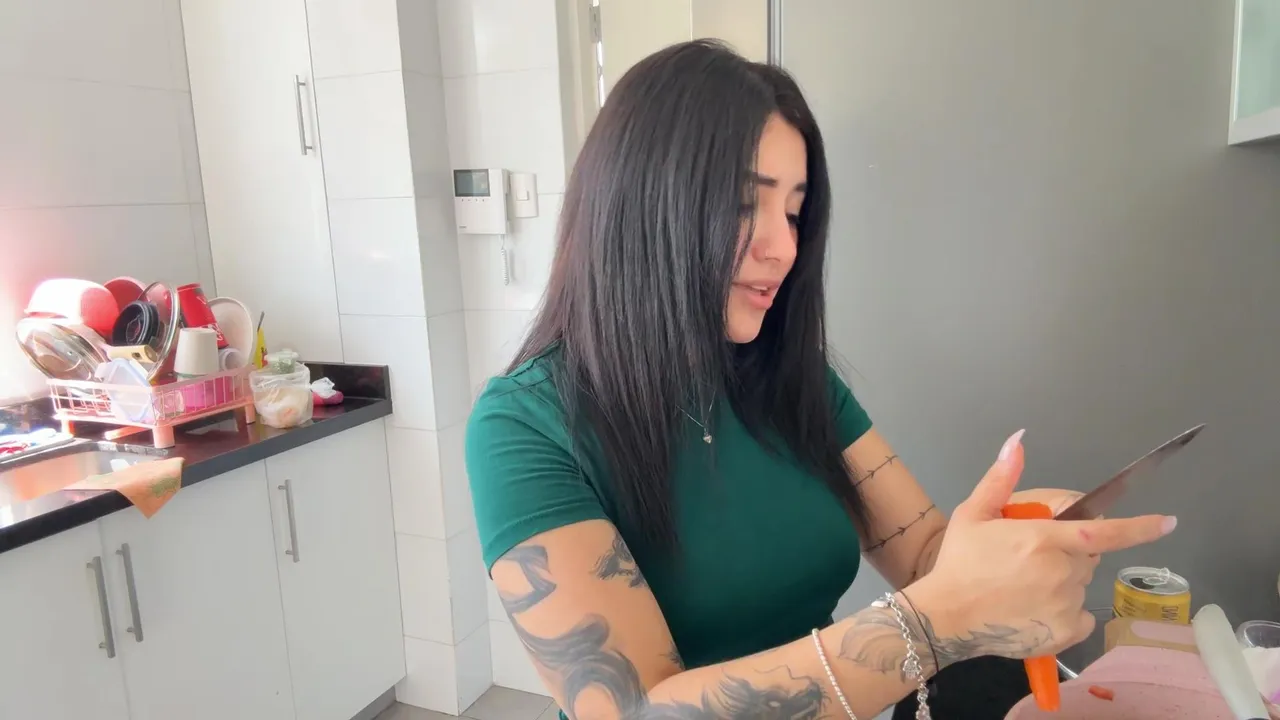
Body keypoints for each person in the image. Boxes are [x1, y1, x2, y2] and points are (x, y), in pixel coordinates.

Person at [464, 40, 1176, 720]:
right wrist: (935, 623)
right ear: (641, 204)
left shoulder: (789, 380)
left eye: (795, 212)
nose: (784, 246)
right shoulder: (524, 427)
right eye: (745, 205)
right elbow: (633, 708)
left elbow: (927, 557)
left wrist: (1005, 541)